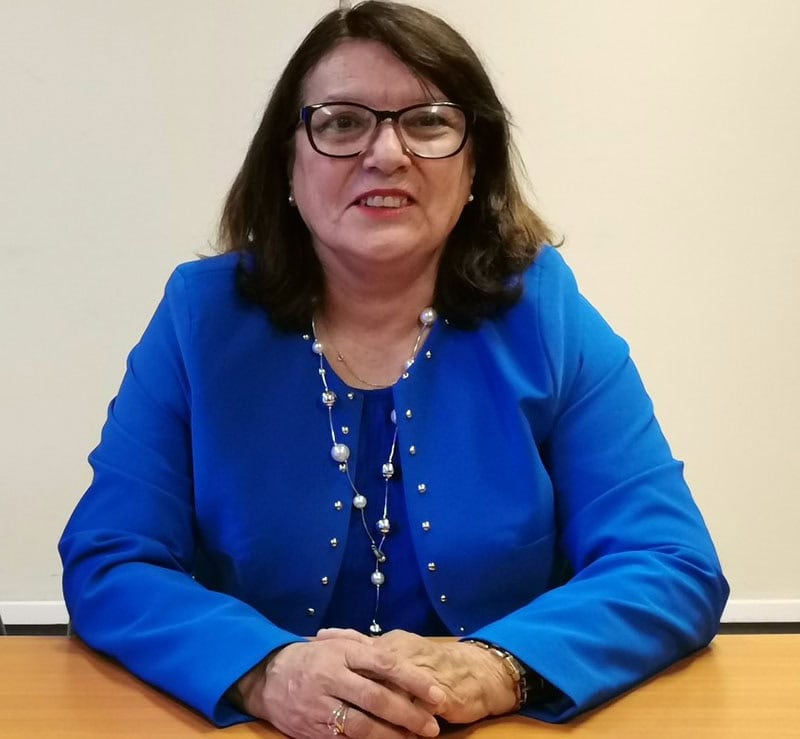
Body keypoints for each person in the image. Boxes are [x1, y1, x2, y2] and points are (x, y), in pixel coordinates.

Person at [59, 2, 729, 737]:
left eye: (429, 122)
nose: (385, 153)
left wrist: (496, 667)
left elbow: (670, 562)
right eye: (343, 122)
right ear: (287, 163)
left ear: (475, 165)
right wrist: (263, 671)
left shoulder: (544, 311)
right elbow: (112, 558)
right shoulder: (201, 317)